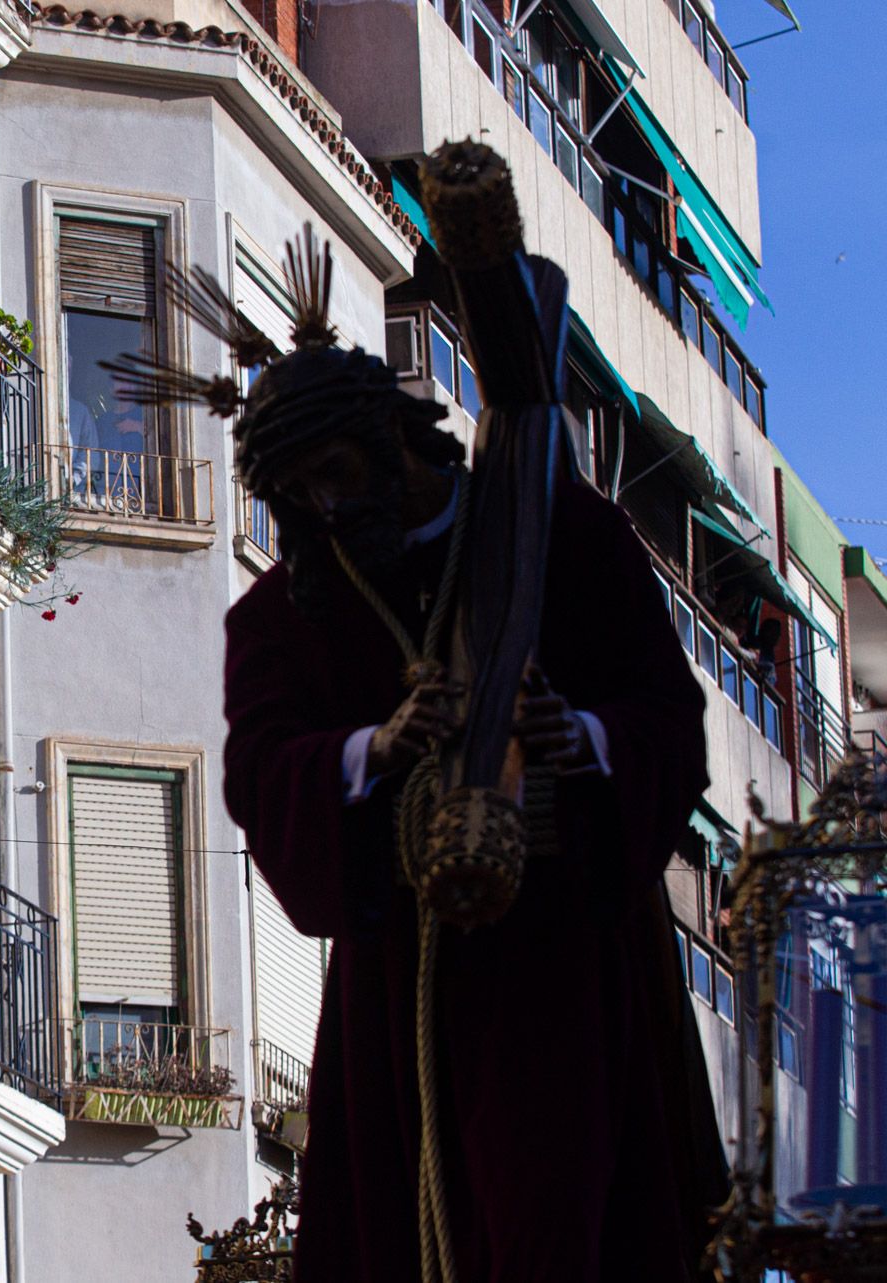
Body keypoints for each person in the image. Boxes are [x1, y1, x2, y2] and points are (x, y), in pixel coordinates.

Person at [216, 311, 728, 1277]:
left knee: (561, 1215)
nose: (325, 509)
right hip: (402, 984)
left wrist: (574, 736)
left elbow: (669, 713)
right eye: (296, 495)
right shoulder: (286, 613)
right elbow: (262, 770)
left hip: (568, 959)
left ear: (389, 441)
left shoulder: (564, 534)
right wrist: (376, 746)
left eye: (336, 472)